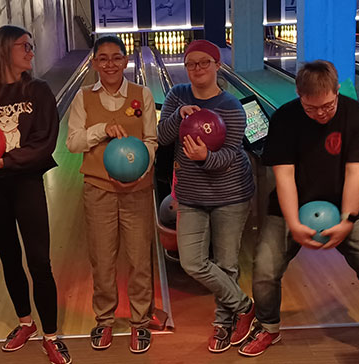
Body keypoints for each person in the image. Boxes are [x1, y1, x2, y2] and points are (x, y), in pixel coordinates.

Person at [242, 60, 359, 364]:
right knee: (265, 269)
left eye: (327, 106)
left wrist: (348, 220)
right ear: (298, 95)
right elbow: (283, 177)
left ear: (337, 92)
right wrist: (294, 223)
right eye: (311, 108)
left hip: (345, 208)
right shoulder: (285, 118)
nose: (320, 113)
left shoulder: (357, 116)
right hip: (290, 210)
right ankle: (268, 327)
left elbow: (355, 176)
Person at [0, 25, 70, 364]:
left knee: (39, 260)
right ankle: (25, 322)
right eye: (25, 45)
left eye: (32, 45)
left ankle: (51, 334)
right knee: (8, 257)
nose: (32, 51)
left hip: (26, 184)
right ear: (4, 49)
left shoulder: (39, 90)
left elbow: (45, 143)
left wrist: (5, 160)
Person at [157, 39, 256, 353]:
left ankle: (222, 325)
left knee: (226, 264)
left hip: (231, 194)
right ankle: (246, 306)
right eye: (190, 64)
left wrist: (204, 158)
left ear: (217, 65)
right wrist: (179, 117)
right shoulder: (177, 95)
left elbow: (230, 154)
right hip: (191, 195)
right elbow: (162, 137)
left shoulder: (231, 106)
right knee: (192, 262)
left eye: (204, 62)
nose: (197, 69)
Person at [66, 35, 157, 353]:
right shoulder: (82, 97)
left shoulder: (141, 94)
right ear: (93, 63)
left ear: (126, 61)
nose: (110, 64)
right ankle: (104, 320)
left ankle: (140, 322)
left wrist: (138, 170)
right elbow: (73, 142)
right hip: (98, 189)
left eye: (116, 57)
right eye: (103, 58)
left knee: (138, 259)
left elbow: (151, 139)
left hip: (137, 190)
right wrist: (101, 129)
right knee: (102, 260)